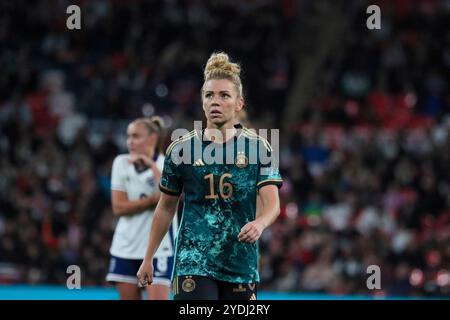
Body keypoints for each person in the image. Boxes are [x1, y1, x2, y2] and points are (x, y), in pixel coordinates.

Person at [137, 52, 282, 300]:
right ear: (203, 102)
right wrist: (148, 257)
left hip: (241, 265)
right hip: (193, 263)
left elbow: (273, 204)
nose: (215, 101)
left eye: (224, 95)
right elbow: (166, 207)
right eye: (209, 95)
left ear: (239, 103)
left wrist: (259, 223)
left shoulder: (259, 148)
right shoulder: (181, 150)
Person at [106, 116, 177, 300]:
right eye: (128, 136)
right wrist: (150, 202)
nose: (130, 141)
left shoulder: (168, 164)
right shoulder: (121, 163)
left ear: (152, 139)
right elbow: (119, 207)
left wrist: (152, 166)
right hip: (125, 246)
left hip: (160, 249)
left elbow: (171, 199)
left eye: (136, 136)